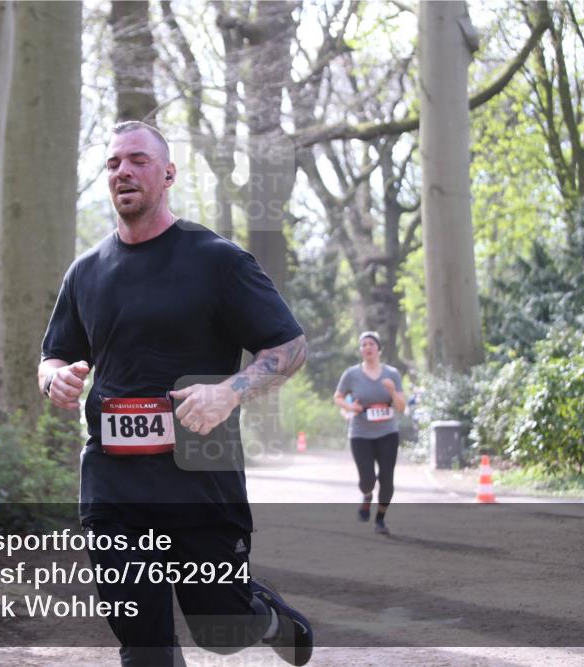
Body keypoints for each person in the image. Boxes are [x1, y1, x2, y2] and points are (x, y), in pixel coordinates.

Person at [38, 121, 312, 666]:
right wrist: (54, 378)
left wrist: (230, 392)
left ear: (168, 174)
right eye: (113, 163)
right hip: (113, 484)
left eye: (138, 160)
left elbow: (290, 346)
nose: (123, 171)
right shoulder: (86, 271)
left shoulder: (217, 260)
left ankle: (265, 617)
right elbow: (53, 355)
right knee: (144, 645)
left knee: (221, 629)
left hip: (200, 473)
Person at [334, 331, 407, 535]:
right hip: (360, 434)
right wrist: (350, 407)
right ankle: (367, 496)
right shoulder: (351, 374)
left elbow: (401, 406)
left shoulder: (392, 373)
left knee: (387, 479)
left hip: (388, 433)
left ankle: (380, 519)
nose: (367, 347)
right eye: (363, 344)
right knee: (367, 480)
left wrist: (392, 391)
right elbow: (338, 397)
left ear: (378, 349)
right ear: (360, 350)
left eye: (371, 344)